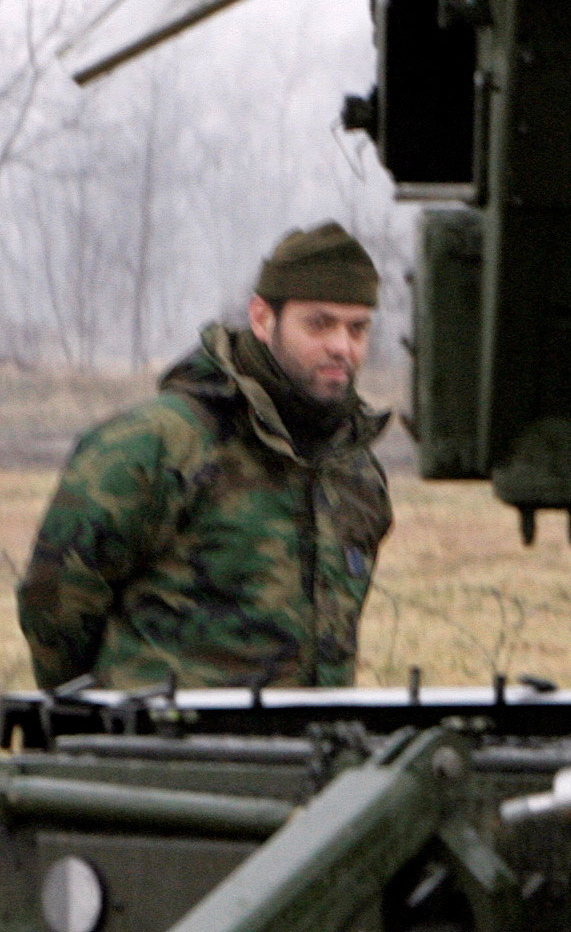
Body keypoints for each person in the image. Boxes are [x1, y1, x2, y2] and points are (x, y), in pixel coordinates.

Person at [18, 223, 393, 692]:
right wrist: (96, 713)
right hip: (167, 733)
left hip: (313, 736)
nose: (341, 347)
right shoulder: (157, 444)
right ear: (263, 319)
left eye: (358, 329)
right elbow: (56, 601)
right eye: (319, 324)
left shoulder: (353, 471)